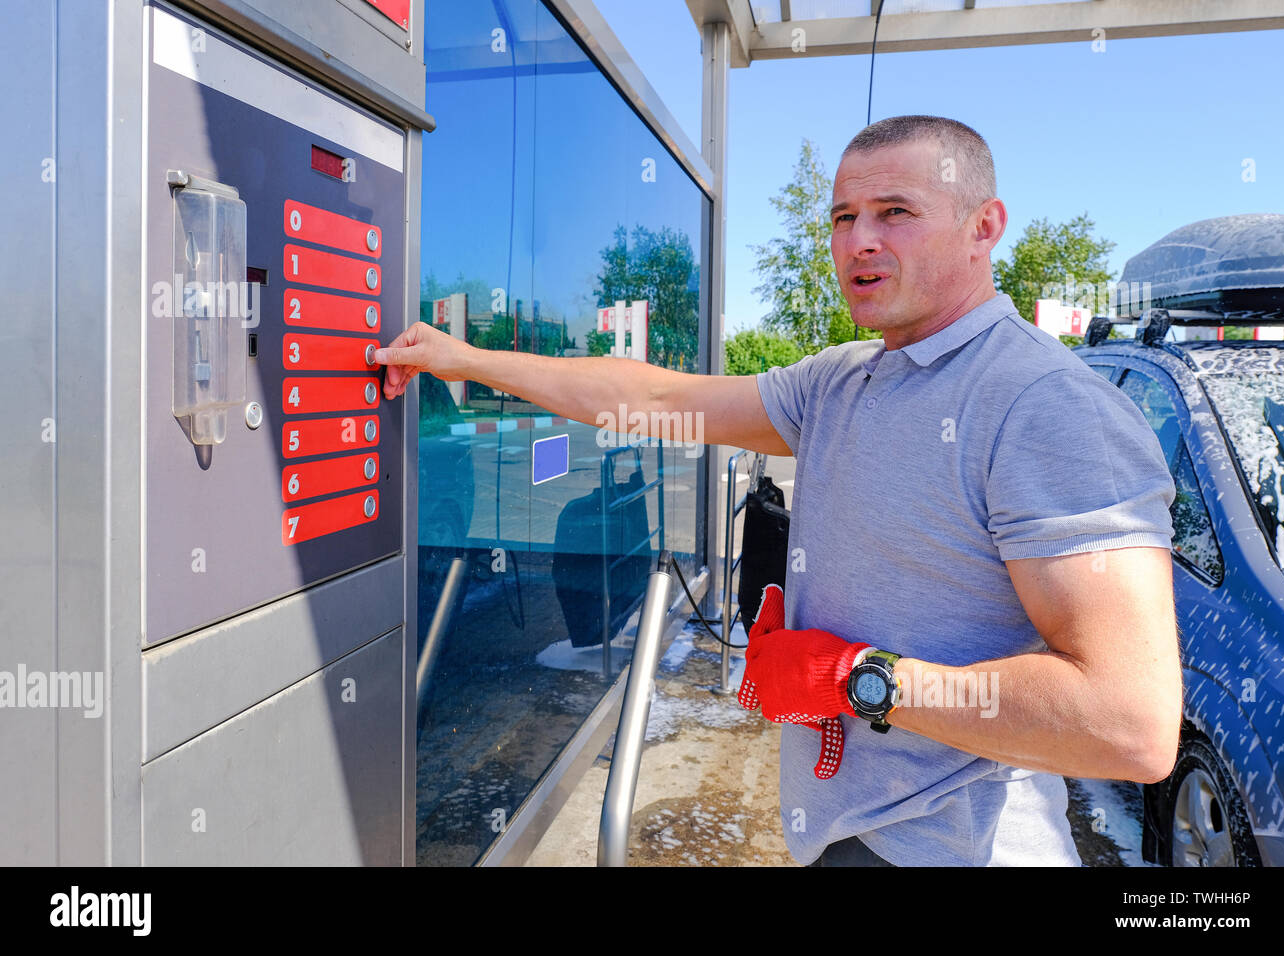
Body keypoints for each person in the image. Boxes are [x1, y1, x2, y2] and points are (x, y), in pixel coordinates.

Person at [375, 115, 1181, 867]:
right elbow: (653, 399)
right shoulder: (840, 381)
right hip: (844, 832)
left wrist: (856, 676)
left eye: (895, 211)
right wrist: (468, 359)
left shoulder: (1048, 407)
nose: (858, 242)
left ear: (985, 226)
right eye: (841, 218)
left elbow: (1128, 722)